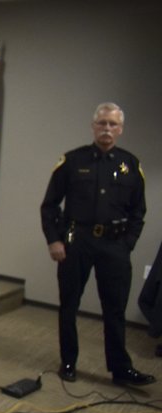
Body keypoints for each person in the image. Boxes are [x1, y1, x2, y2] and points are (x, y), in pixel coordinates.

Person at [40, 102, 154, 386]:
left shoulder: (131, 166)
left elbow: (138, 212)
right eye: (102, 123)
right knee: (69, 305)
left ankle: (120, 369)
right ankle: (68, 362)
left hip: (115, 246)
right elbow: (49, 206)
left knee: (114, 309)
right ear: (93, 126)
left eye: (113, 124)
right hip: (76, 241)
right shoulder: (72, 161)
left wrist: (128, 243)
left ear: (121, 129)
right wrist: (54, 240)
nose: (107, 129)